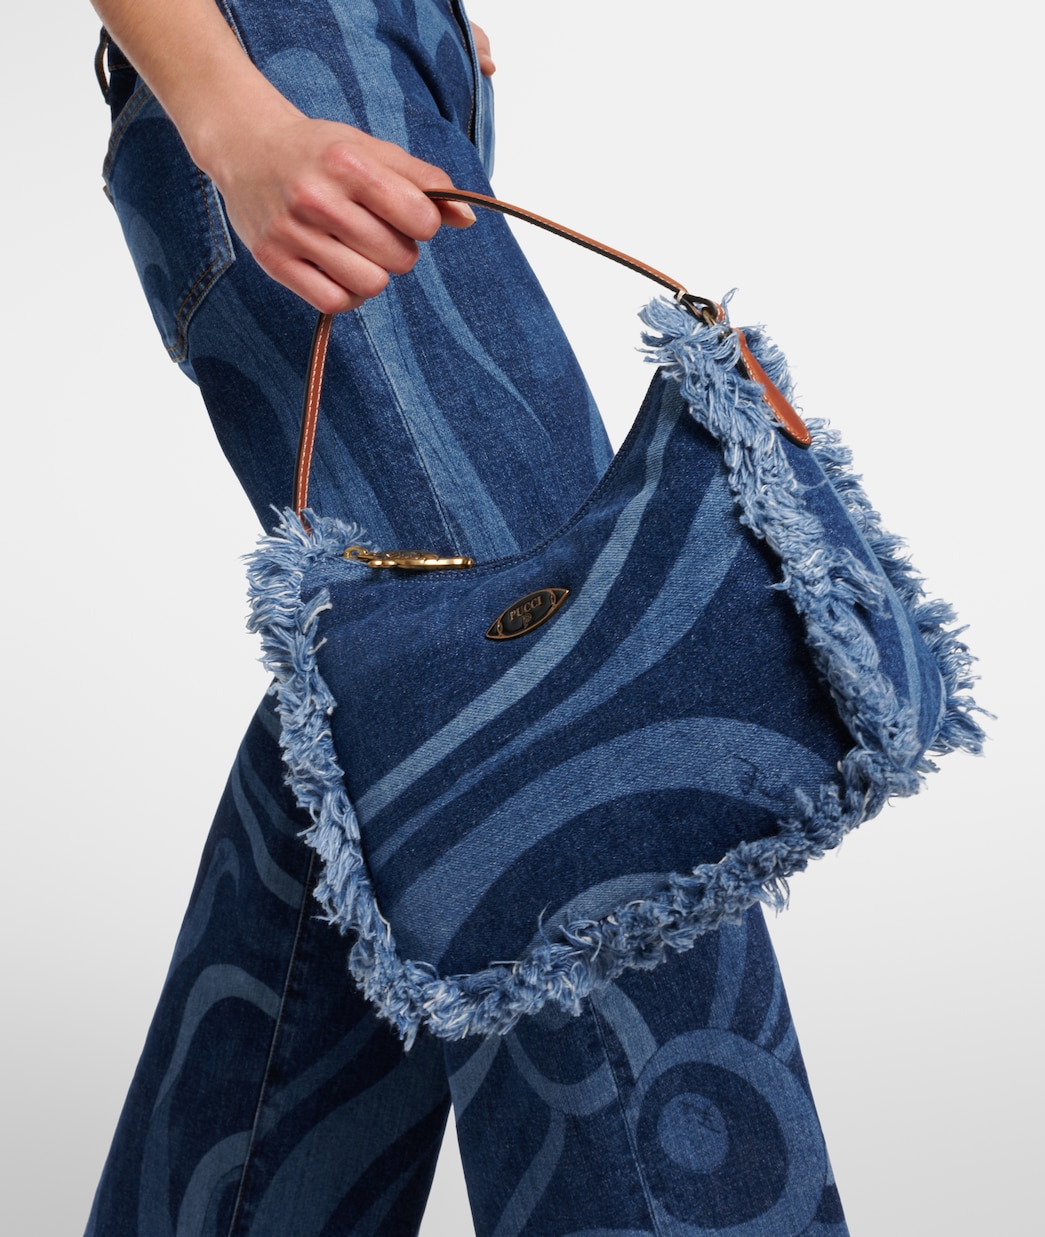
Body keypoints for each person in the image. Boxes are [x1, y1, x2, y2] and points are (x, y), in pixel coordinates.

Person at [86, 2, 850, 1233]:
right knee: (573, 763)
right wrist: (233, 111)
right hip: (291, 72)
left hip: (377, 70)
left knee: (403, 748)